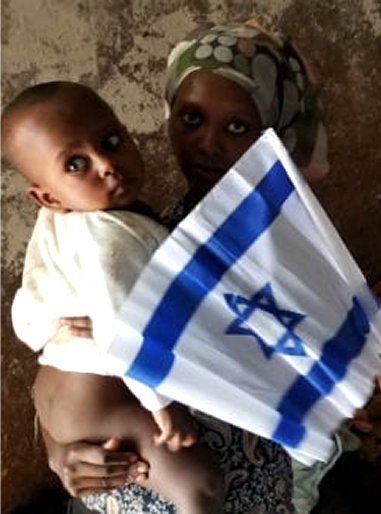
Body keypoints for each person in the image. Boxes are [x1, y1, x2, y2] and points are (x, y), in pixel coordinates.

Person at [32, 21, 329, 513]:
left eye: (237, 127)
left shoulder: (294, 255)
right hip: (131, 487)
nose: (206, 145)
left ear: (274, 134)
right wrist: (59, 451)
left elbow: (311, 373)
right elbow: (63, 358)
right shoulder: (145, 230)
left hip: (239, 493)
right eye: (191, 119)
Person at [2, 81, 224, 513]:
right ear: (47, 197)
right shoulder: (107, 234)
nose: (107, 164)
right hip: (102, 408)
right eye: (76, 164)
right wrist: (163, 404)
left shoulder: (97, 221)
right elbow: (127, 327)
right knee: (201, 486)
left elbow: (36, 312)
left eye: (111, 141)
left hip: (74, 402)